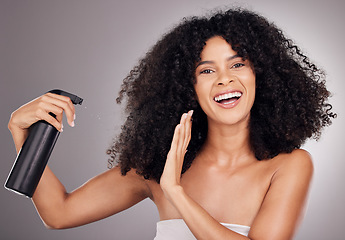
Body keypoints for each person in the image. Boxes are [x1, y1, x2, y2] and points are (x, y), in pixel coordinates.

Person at [7, 8, 336, 240]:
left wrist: (176, 193)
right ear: (186, 87)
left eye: (238, 64)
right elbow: (59, 214)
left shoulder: (289, 166)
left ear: (260, 75)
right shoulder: (159, 165)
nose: (224, 80)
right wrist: (23, 133)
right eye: (206, 71)